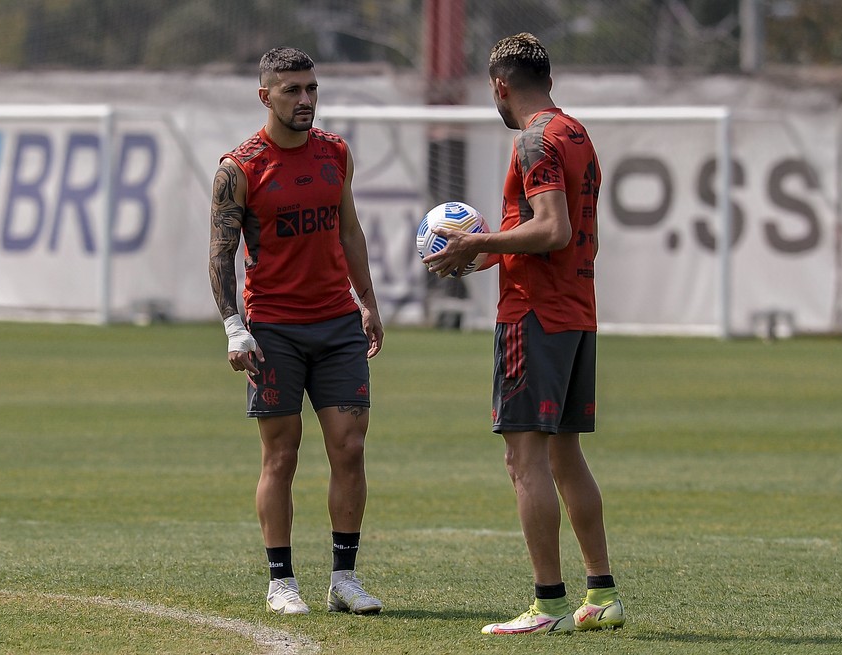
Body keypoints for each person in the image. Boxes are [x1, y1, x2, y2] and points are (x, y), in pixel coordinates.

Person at [424, 32, 624, 635]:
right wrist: (486, 254)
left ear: (500, 86)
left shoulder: (533, 139)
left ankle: (549, 604)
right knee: (565, 453)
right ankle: (603, 594)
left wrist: (477, 241)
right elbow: (555, 236)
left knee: (523, 457)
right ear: (550, 80)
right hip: (574, 310)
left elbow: (553, 229)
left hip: (534, 316)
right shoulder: (575, 134)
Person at [208, 46, 384, 616]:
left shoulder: (335, 153)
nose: (306, 99)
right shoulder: (239, 169)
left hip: (337, 324)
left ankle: (344, 578)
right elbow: (220, 254)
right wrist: (235, 327)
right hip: (274, 329)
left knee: (350, 449)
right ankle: (281, 581)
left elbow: (350, 230)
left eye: (311, 88)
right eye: (292, 90)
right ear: (266, 96)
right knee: (281, 455)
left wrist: (369, 302)